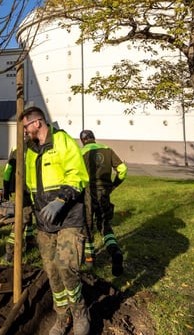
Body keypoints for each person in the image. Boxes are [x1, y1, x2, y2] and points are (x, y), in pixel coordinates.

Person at [20, 106, 91, 335]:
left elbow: (77, 175)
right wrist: (19, 206)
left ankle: (80, 311)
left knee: (66, 266)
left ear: (37, 123)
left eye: (25, 127)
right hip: (44, 222)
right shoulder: (30, 150)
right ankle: (62, 317)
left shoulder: (63, 142)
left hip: (69, 217)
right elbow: (30, 185)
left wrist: (61, 200)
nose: (24, 132)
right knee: (51, 271)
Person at [79, 130, 127, 276]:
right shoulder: (107, 150)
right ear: (94, 138)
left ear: (83, 140)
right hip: (105, 191)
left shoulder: (81, 153)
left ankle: (90, 258)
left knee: (87, 224)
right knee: (104, 223)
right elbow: (122, 169)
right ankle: (115, 251)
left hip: (88, 192)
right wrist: (113, 185)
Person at [0, 147, 35, 263]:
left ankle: (30, 241)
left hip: (24, 190)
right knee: (23, 219)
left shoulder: (16, 148)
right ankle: (10, 250)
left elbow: (8, 169)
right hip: (31, 190)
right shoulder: (36, 147)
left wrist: (6, 186)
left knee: (27, 217)